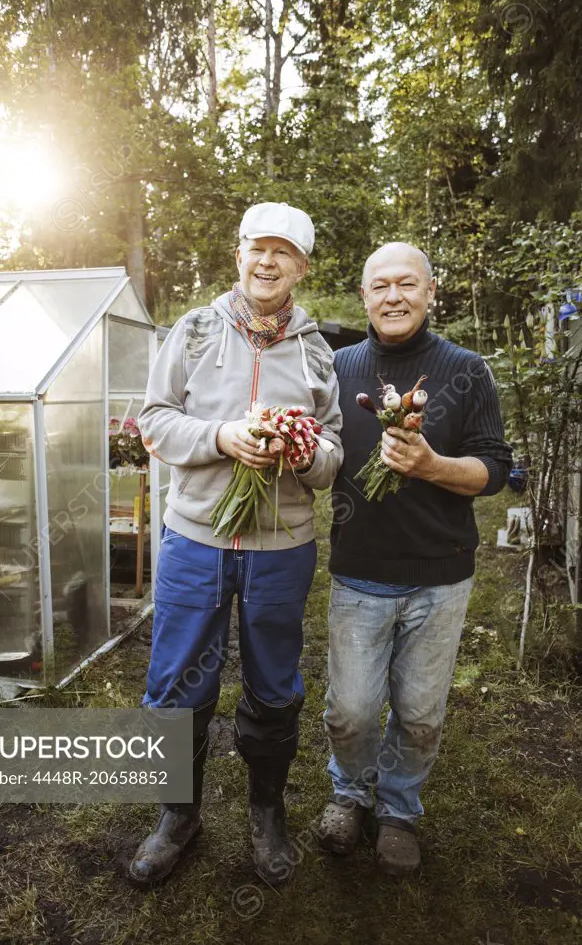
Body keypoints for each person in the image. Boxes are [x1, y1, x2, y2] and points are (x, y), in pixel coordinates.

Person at [130, 202, 343, 888]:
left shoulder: (315, 349)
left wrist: (304, 452)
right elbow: (153, 423)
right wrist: (222, 436)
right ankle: (178, 816)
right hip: (195, 540)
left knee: (275, 683)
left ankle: (266, 810)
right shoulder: (193, 331)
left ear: (301, 267)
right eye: (259, 247)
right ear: (240, 253)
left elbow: (334, 448)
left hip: (282, 544)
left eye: (284, 252)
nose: (268, 261)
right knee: (177, 682)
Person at [318, 242, 512, 876]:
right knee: (350, 711)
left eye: (407, 284)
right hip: (359, 569)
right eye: (380, 286)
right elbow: (317, 451)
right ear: (365, 296)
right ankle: (350, 791)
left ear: (431, 292)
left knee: (421, 711)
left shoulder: (467, 370)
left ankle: (398, 808)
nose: (393, 297)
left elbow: (494, 471)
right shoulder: (337, 365)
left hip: (440, 573)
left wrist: (431, 465)